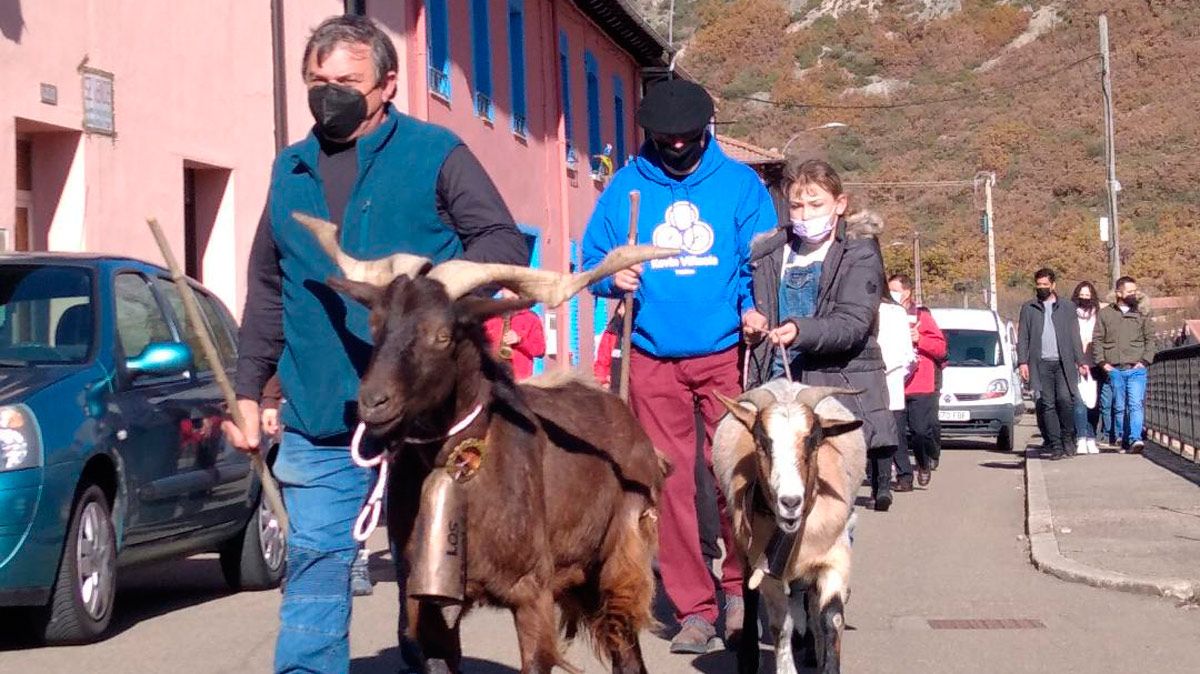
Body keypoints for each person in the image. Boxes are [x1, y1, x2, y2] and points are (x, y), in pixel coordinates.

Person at [221, 15, 528, 674]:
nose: (329, 94)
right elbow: (269, 289)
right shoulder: (290, 170)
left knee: (430, 573)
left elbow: (502, 241)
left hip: (430, 421)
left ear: (388, 84)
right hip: (323, 411)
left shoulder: (435, 154)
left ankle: (425, 660)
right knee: (315, 565)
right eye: (318, 81)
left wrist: (428, 286)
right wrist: (248, 389)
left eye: (347, 81)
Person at [581, 78, 777, 654]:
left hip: (725, 354)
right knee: (667, 484)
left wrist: (753, 307)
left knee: (733, 474)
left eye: (685, 137)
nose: (674, 146)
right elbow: (591, 259)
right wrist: (612, 274)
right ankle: (695, 607)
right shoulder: (626, 186)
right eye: (664, 138)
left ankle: (739, 589)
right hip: (651, 354)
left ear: (704, 131)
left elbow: (762, 261)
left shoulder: (740, 186)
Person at [742, 158, 897, 513]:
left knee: (830, 513)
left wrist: (801, 330)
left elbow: (853, 322)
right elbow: (748, 300)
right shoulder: (769, 252)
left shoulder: (859, 252)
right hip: (776, 390)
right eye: (797, 205)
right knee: (774, 500)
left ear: (839, 204)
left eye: (816, 204)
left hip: (834, 391)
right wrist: (751, 322)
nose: (805, 214)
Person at [1017, 268, 1089, 461]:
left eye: (1045, 285)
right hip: (1040, 364)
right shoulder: (1029, 308)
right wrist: (1022, 362)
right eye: (1038, 285)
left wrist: (1081, 361)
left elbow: (1074, 336)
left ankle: (1068, 438)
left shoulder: (1067, 307)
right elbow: (1023, 337)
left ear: (1053, 285)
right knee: (1047, 404)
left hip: (1063, 363)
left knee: (1065, 400)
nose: (1041, 288)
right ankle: (1055, 445)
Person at [887, 273, 946, 485]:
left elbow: (941, 348)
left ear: (907, 292)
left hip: (920, 383)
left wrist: (920, 339)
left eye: (895, 290)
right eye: (889, 290)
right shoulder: (884, 315)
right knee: (896, 433)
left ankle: (923, 463)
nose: (891, 294)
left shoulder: (922, 316)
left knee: (920, 431)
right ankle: (904, 477)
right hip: (894, 382)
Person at [1093, 276, 1155, 453]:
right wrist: (1103, 363)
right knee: (1118, 406)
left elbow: (1150, 339)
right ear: (1119, 293)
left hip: (1136, 368)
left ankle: (1135, 438)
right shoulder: (1105, 314)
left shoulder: (1142, 313)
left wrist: (1144, 361)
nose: (1134, 294)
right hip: (1114, 369)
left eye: (1135, 291)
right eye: (1130, 291)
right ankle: (1122, 437)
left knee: (1135, 404)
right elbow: (1097, 340)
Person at [878, 291, 917, 493]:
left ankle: (896, 478)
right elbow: (908, 356)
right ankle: (899, 477)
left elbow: (907, 354)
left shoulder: (895, 312)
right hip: (887, 378)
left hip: (887, 380)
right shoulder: (896, 312)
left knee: (888, 432)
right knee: (891, 432)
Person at [483, 288, 546, 380]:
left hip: (520, 379)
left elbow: (540, 350)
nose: (511, 291)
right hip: (492, 376)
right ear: (502, 290)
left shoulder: (531, 318)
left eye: (514, 288)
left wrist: (520, 340)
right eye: (507, 288)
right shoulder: (489, 316)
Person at [1071, 282, 1102, 455]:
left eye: (1087, 295)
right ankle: (1081, 438)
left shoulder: (1098, 315)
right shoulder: (1070, 315)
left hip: (1095, 363)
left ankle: (1091, 437)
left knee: (1093, 403)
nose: (1084, 298)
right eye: (1081, 295)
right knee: (1079, 402)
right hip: (1076, 363)